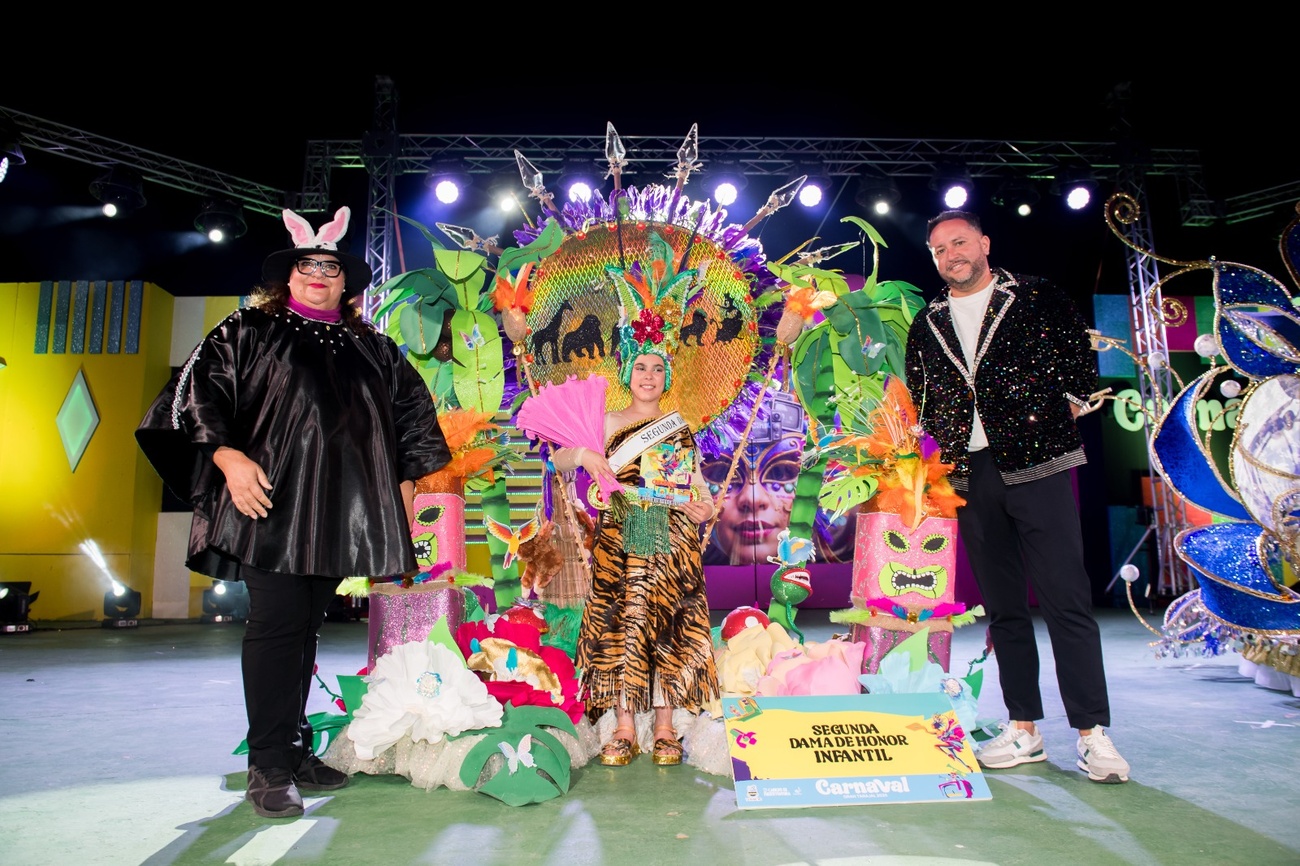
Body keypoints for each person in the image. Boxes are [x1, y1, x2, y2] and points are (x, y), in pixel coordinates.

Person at [136, 207, 451, 817]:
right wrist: (227, 458)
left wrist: (407, 482)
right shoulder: (247, 330)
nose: (318, 275)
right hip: (269, 508)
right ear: (288, 275)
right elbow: (196, 397)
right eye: (307, 265)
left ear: (344, 283)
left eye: (329, 268)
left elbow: (414, 415)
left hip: (339, 514)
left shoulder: (374, 348)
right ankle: (269, 764)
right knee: (278, 626)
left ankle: (292, 744)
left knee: (304, 629)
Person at [903, 209, 1130, 784]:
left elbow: (1077, 357)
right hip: (968, 474)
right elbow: (920, 393)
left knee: (1065, 601)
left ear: (983, 242)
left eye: (958, 242)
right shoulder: (927, 321)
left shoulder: (1034, 296)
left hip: (1038, 461)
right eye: (938, 249)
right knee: (1004, 608)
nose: (950, 254)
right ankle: (1023, 727)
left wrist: (1075, 398)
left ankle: (1092, 735)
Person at [552, 344, 720, 768]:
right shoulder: (606, 422)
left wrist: (705, 505)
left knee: (668, 625)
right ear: (627, 375)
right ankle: (624, 726)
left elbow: (697, 485)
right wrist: (587, 455)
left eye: (658, 369)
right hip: (622, 539)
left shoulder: (678, 426)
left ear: (667, 378)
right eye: (641, 368)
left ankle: (664, 726)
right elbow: (558, 460)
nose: (649, 375)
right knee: (622, 623)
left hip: (673, 538)